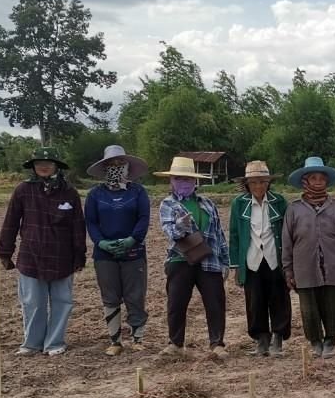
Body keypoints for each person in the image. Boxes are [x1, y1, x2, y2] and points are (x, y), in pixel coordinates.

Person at [0, 146, 86, 356]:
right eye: (38, 163)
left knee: (62, 302)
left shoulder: (69, 192)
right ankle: (32, 343)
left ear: (56, 165)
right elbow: (10, 222)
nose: (43, 166)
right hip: (31, 256)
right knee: (33, 303)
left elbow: (78, 227)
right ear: (33, 167)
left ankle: (55, 343)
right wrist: (5, 251)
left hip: (61, 257)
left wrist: (79, 255)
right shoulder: (23, 190)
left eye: (47, 163)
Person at [283, 157, 335, 359]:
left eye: (322, 178)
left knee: (334, 304)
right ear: (305, 181)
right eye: (313, 178)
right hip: (305, 266)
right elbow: (287, 242)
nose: (318, 182)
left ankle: (330, 341)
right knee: (310, 307)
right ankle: (315, 341)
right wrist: (288, 270)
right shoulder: (294, 209)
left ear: (327, 182)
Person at [156, 156, 230, 358]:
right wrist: (181, 225)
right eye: (179, 179)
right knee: (176, 303)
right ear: (171, 181)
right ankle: (176, 345)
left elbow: (218, 233)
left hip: (209, 259)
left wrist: (225, 261)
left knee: (215, 302)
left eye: (187, 179)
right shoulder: (168, 204)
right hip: (180, 260)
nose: (183, 183)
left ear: (194, 181)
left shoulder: (207, 203)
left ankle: (217, 344)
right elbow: (171, 232)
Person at [84, 145, 150, 356]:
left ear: (128, 167)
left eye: (120, 163)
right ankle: (115, 341)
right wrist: (100, 242)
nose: (116, 167)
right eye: (111, 164)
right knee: (110, 297)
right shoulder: (95, 195)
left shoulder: (138, 192)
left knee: (135, 295)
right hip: (105, 255)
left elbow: (143, 218)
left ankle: (137, 338)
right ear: (105, 168)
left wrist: (133, 239)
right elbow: (91, 222)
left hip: (134, 253)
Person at [229, 161, 291, 356]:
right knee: (255, 300)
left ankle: (278, 340)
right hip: (252, 258)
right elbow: (234, 235)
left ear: (268, 183)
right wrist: (237, 265)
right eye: (254, 182)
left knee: (279, 298)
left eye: (262, 182)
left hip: (274, 257)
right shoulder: (239, 204)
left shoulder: (279, 202)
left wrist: (289, 263)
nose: (258, 186)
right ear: (247, 184)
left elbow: (288, 232)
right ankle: (261, 340)